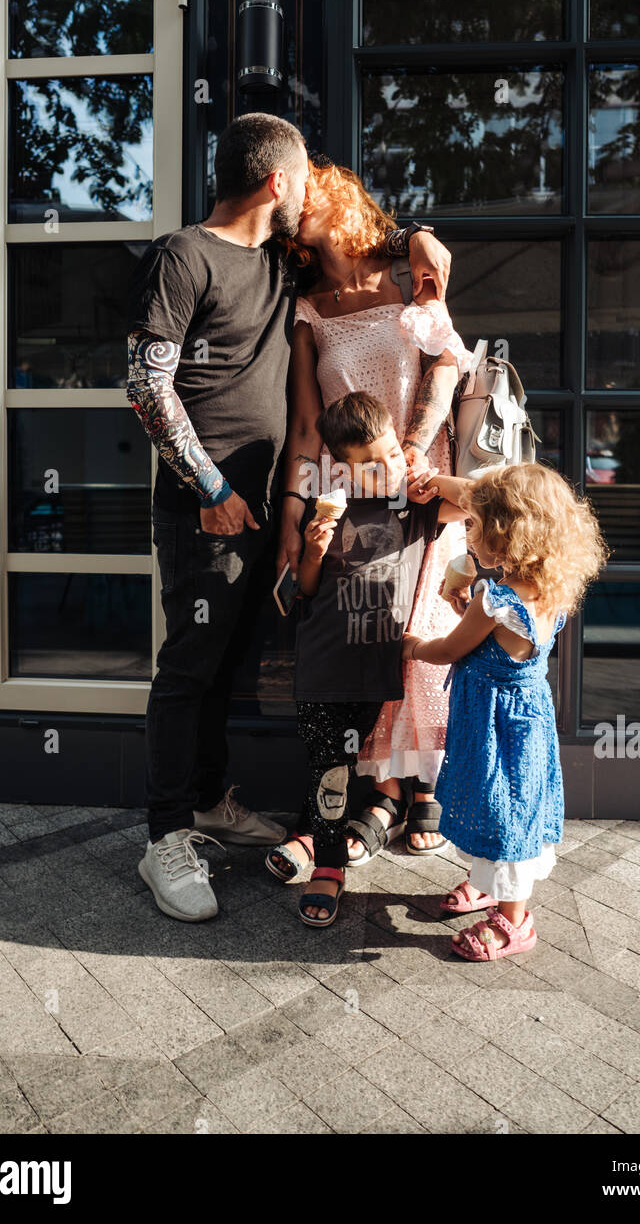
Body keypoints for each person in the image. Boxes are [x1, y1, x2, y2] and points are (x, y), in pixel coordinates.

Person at [125, 112, 453, 921]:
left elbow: (370, 238)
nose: (309, 191)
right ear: (278, 180)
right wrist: (211, 490)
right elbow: (144, 385)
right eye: (303, 175)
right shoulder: (183, 255)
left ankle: (206, 803)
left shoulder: (278, 262)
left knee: (230, 664)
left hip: (271, 506)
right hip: (207, 508)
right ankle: (164, 834)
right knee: (189, 669)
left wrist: (418, 238)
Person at [271, 159, 471, 881]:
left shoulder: (402, 273)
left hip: (420, 477)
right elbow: (302, 426)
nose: (298, 203)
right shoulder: (306, 306)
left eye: (310, 190)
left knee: (426, 621)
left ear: (340, 197)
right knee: (370, 625)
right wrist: (291, 522)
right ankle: (381, 792)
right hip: (346, 491)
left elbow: (446, 363)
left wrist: (416, 446)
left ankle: (423, 790)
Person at [402, 462, 608, 961]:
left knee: (502, 809)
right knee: (513, 803)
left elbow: (451, 650)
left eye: (474, 524)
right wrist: (465, 609)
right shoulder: (548, 588)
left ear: (504, 534)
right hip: (527, 719)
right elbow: (494, 640)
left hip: (493, 721)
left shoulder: (495, 599)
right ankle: (491, 883)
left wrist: (410, 646)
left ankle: (515, 922)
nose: (467, 529)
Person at [283, 391, 468, 927]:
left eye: (389, 454)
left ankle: (346, 839)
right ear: (340, 467)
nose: (384, 469)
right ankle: (328, 867)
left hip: (377, 668)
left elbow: (486, 499)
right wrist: (313, 551)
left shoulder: (414, 505)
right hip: (322, 665)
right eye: (369, 464)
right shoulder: (327, 506)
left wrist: (429, 477)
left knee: (350, 765)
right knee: (329, 773)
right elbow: (307, 590)